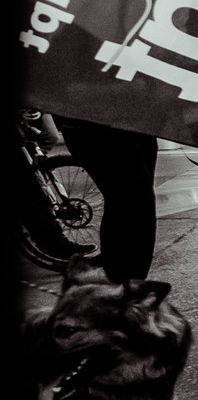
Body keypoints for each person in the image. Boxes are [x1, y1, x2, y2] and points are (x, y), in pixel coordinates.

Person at [51, 117, 158, 283]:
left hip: (136, 121)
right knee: (133, 202)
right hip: (96, 122)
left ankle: (126, 285)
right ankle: (123, 286)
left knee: (136, 205)